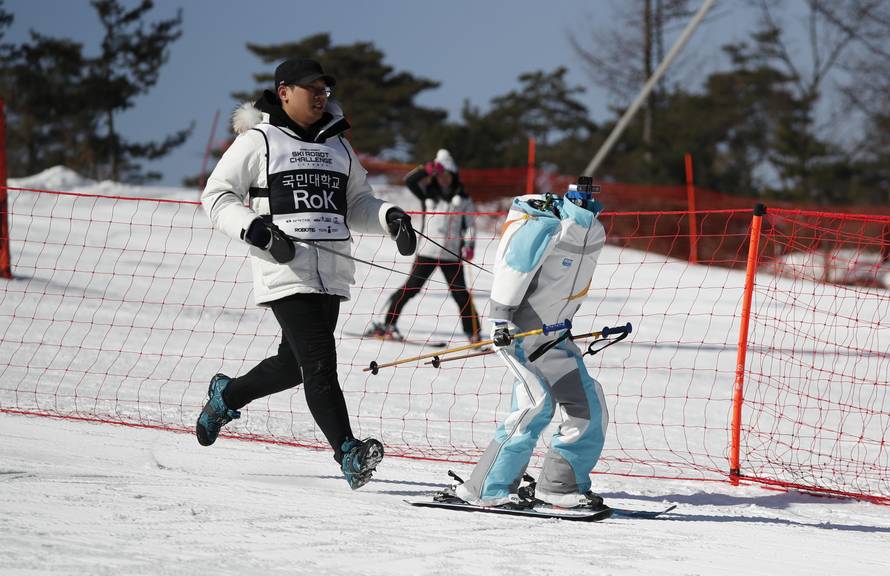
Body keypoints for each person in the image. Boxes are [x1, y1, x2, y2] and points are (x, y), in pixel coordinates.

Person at [196, 58, 416, 490]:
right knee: (320, 364)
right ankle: (349, 452)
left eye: (325, 91)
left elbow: (357, 205)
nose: (320, 97)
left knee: (293, 365)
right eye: (311, 89)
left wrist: (391, 219)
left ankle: (227, 396)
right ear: (283, 92)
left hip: (331, 274)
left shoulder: (340, 146)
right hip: (284, 270)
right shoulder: (259, 140)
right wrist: (257, 231)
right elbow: (217, 196)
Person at [450, 177, 610, 509]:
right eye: (581, 195)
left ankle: (560, 485)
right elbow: (515, 267)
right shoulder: (551, 224)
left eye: (590, 195)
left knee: (589, 406)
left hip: (556, 336)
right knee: (536, 405)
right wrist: (501, 318)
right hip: (520, 333)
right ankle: (487, 488)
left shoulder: (593, 229)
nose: (587, 199)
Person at [366, 149, 481, 342]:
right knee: (411, 288)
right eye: (439, 175)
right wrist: (426, 170)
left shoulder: (464, 200)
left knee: (461, 295)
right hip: (426, 252)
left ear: (453, 176)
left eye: (447, 175)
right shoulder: (428, 193)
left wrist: (470, 246)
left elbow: (470, 226)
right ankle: (386, 324)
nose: (443, 179)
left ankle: (474, 334)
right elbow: (410, 180)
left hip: (451, 255)